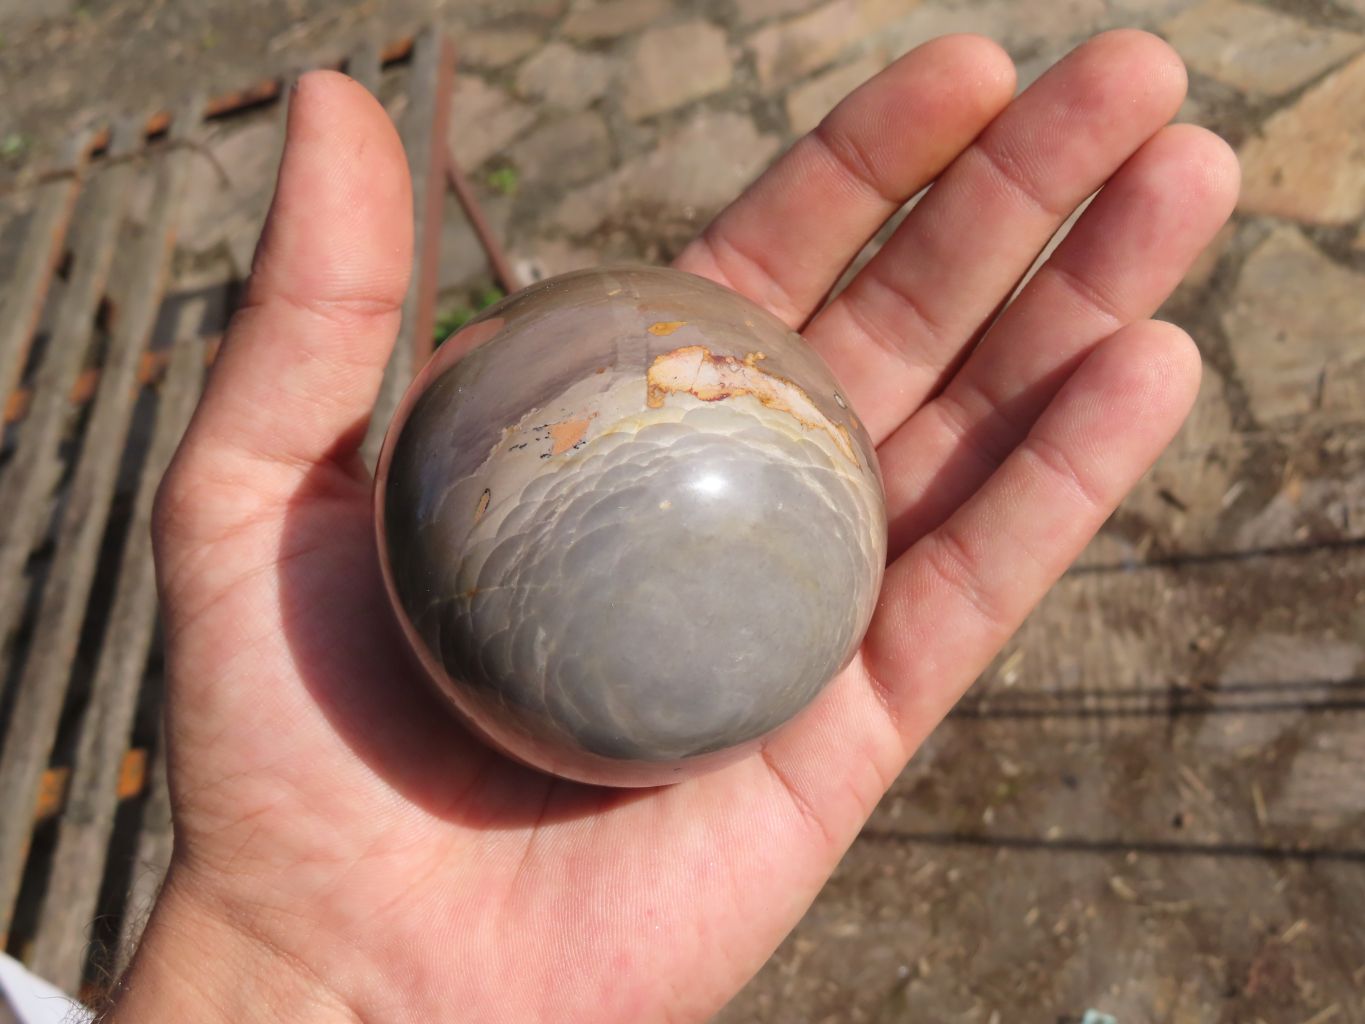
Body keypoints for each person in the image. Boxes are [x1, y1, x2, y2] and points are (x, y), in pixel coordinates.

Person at [102, 29, 1237, 1023]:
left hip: (725, 550)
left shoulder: (762, 570)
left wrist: (293, 981)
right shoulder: (514, 557)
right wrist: (288, 968)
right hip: (558, 599)